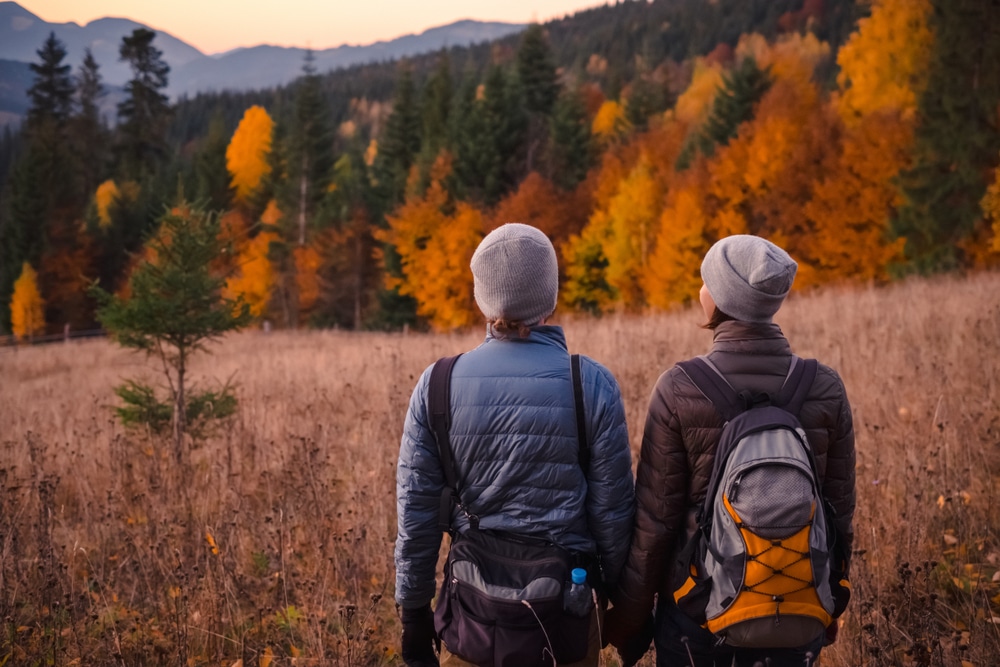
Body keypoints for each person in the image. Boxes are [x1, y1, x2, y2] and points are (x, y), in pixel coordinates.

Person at [604, 235, 856, 667]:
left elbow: (655, 526)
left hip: (697, 618)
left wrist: (629, 623)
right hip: (799, 613)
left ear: (719, 298)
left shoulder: (680, 387)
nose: (701, 290)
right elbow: (838, 516)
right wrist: (829, 601)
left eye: (706, 282)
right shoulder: (824, 387)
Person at [395, 223, 636, 666]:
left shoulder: (438, 384)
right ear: (551, 294)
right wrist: (622, 605)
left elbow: (417, 514)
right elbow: (614, 516)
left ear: (481, 296)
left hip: (471, 622)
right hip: (566, 619)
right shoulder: (591, 384)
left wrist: (413, 614)